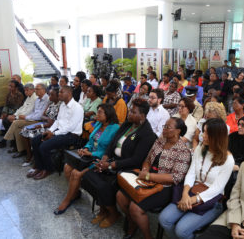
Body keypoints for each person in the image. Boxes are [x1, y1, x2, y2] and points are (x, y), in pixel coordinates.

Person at [81, 98, 157, 228]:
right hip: (113, 162)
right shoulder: (128, 124)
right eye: (130, 111)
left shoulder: (147, 134)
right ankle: (104, 209)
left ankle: (114, 213)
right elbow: (113, 142)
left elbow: (136, 160)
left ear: (142, 115)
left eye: (133, 112)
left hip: (128, 168)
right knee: (88, 176)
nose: (129, 114)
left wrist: (111, 165)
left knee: (104, 185)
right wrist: (105, 158)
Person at [159, 118, 234, 239]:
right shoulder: (201, 148)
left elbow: (216, 189)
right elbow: (191, 173)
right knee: (164, 219)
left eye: (206, 133)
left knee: (181, 230)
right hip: (192, 191)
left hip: (211, 201)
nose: (202, 135)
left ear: (217, 137)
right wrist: (185, 194)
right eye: (203, 131)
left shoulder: (228, 160)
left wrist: (191, 200)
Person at [118, 117, 191, 239]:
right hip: (146, 179)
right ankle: (133, 222)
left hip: (164, 187)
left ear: (178, 131)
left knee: (135, 207)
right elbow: (148, 159)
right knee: (120, 197)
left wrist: (148, 176)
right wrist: (145, 170)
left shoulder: (183, 151)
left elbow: (175, 178)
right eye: (164, 126)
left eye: (168, 127)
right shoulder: (161, 140)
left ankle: (148, 236)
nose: (164, 129)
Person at [54, 104, 119, 215]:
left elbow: (110, 150)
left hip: (99, 159)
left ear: (108, 114)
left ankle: (67, 200)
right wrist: (85, 149)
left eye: (100, 112)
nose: (96, 114)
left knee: (75, 173)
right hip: (88, 156)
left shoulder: (115, 128)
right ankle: (75, 193)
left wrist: (92, 153)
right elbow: (90, 141)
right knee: (67, 167)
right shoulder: (99, 124)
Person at [27, 86, 84, 180]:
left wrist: (54, 134)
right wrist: (50, 131)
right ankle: (39, 166)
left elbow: (70, 127)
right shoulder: (62, 105)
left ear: (69, 94)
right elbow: (57, 121)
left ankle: (48, 169)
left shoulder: (77, 108)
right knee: (35, 140)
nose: (59, 94)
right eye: (59, 92)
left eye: (61, 92)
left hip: (71, 136)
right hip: (59, 132)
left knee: (44, 146)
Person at [3, 83, 49, 158]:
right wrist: (20, 116)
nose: (35, 91)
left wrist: (22, 117)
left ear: (43, 90)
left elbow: (40, 116)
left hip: (39, 121)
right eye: (35, 89)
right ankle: (22, 150)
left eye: (37, 89)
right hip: (31, 118)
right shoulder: (37, 99)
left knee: (15, 123)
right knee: (17, 129)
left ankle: (5, 140)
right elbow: (30, 111)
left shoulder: (46, 99)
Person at [20, 88, 61, 166]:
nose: (49, 96)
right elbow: (42, 115)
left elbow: (52, 123)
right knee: (25, 130)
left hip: (52, 127)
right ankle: (30, 155)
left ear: (57, 96)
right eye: (49, 94)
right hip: (45, 123)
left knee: (33, 133)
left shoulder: (60, 105)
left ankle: (35, 158)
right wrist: (47, 119)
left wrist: (43, 123)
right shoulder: (51, 104)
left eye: (52, 95)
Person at [0, 81, 28, 150]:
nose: (9, 88)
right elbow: (6, 105)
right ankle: (5, 136)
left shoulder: (20, 95)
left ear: (16, 88)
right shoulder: (9, 94)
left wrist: (7, 114)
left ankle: (4, 142)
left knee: (7, 121)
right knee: (0, 118)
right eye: (9, 86)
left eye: (11, 86)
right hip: (9, 111)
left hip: (16, 113)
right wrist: (4, 113)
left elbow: (17, 107)